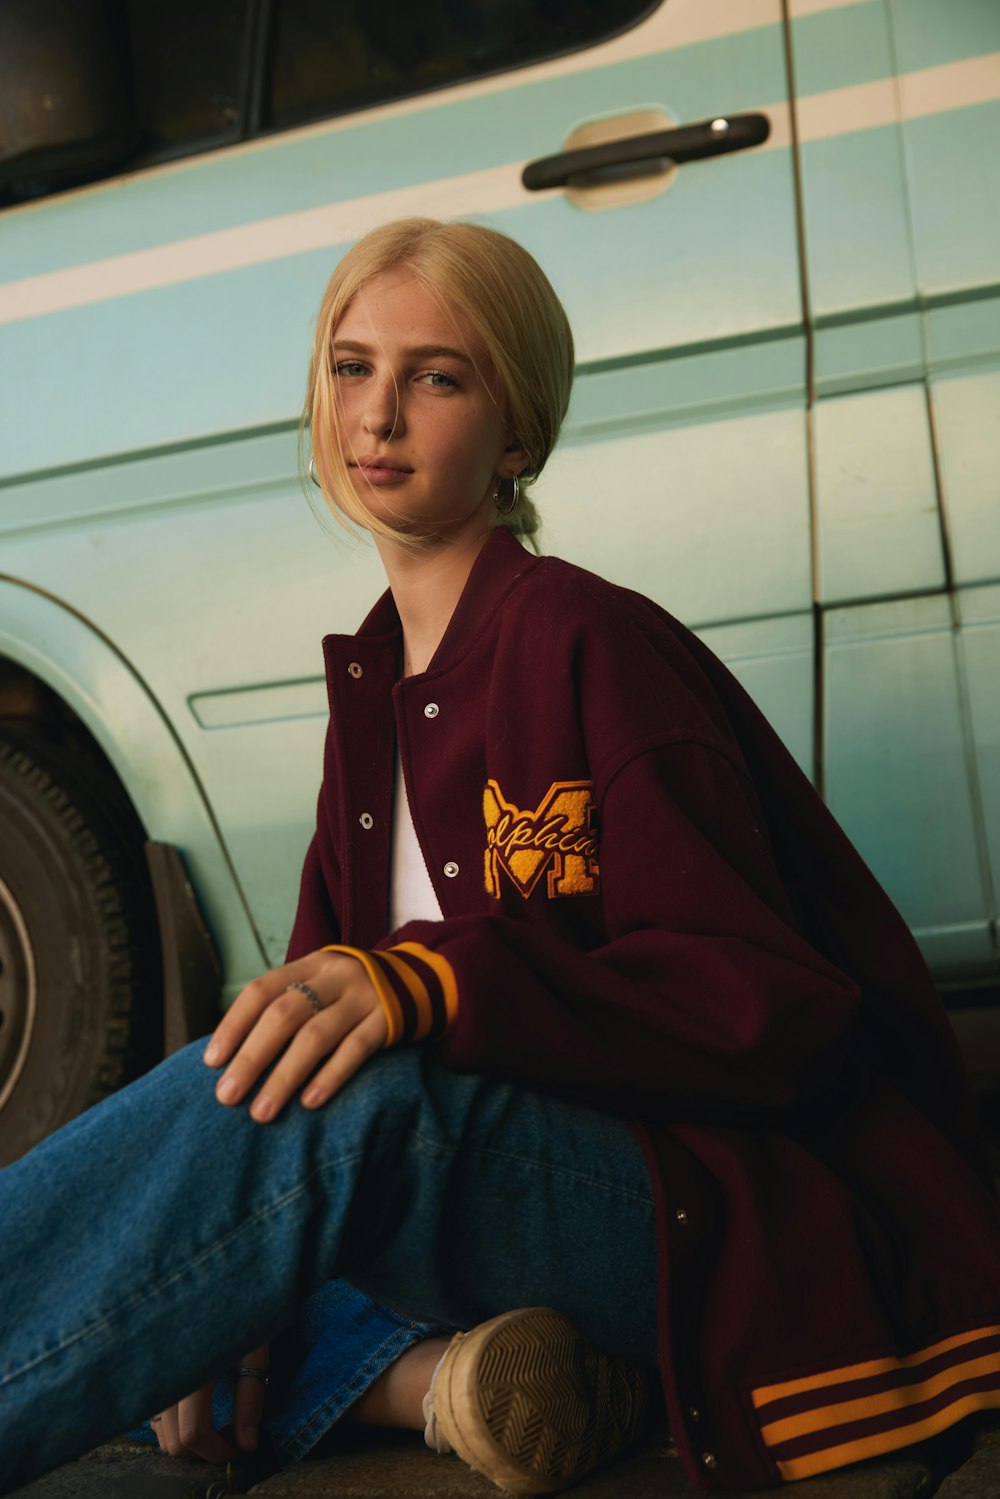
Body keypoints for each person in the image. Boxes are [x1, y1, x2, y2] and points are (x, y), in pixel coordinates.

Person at [2, 217, 1000, 1497]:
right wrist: (216, 1275)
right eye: (351, 368)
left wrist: (436, 981)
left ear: (515, 432)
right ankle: (454, 1387)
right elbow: (288, 1062)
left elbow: (766, 1008)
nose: (377, 415)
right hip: (490, 1200)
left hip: (687, 1197)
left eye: (436, 376)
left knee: (316, 1140)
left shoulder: (590, 638)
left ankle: (396, 1372)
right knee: (210, 1187)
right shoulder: (370, 693)